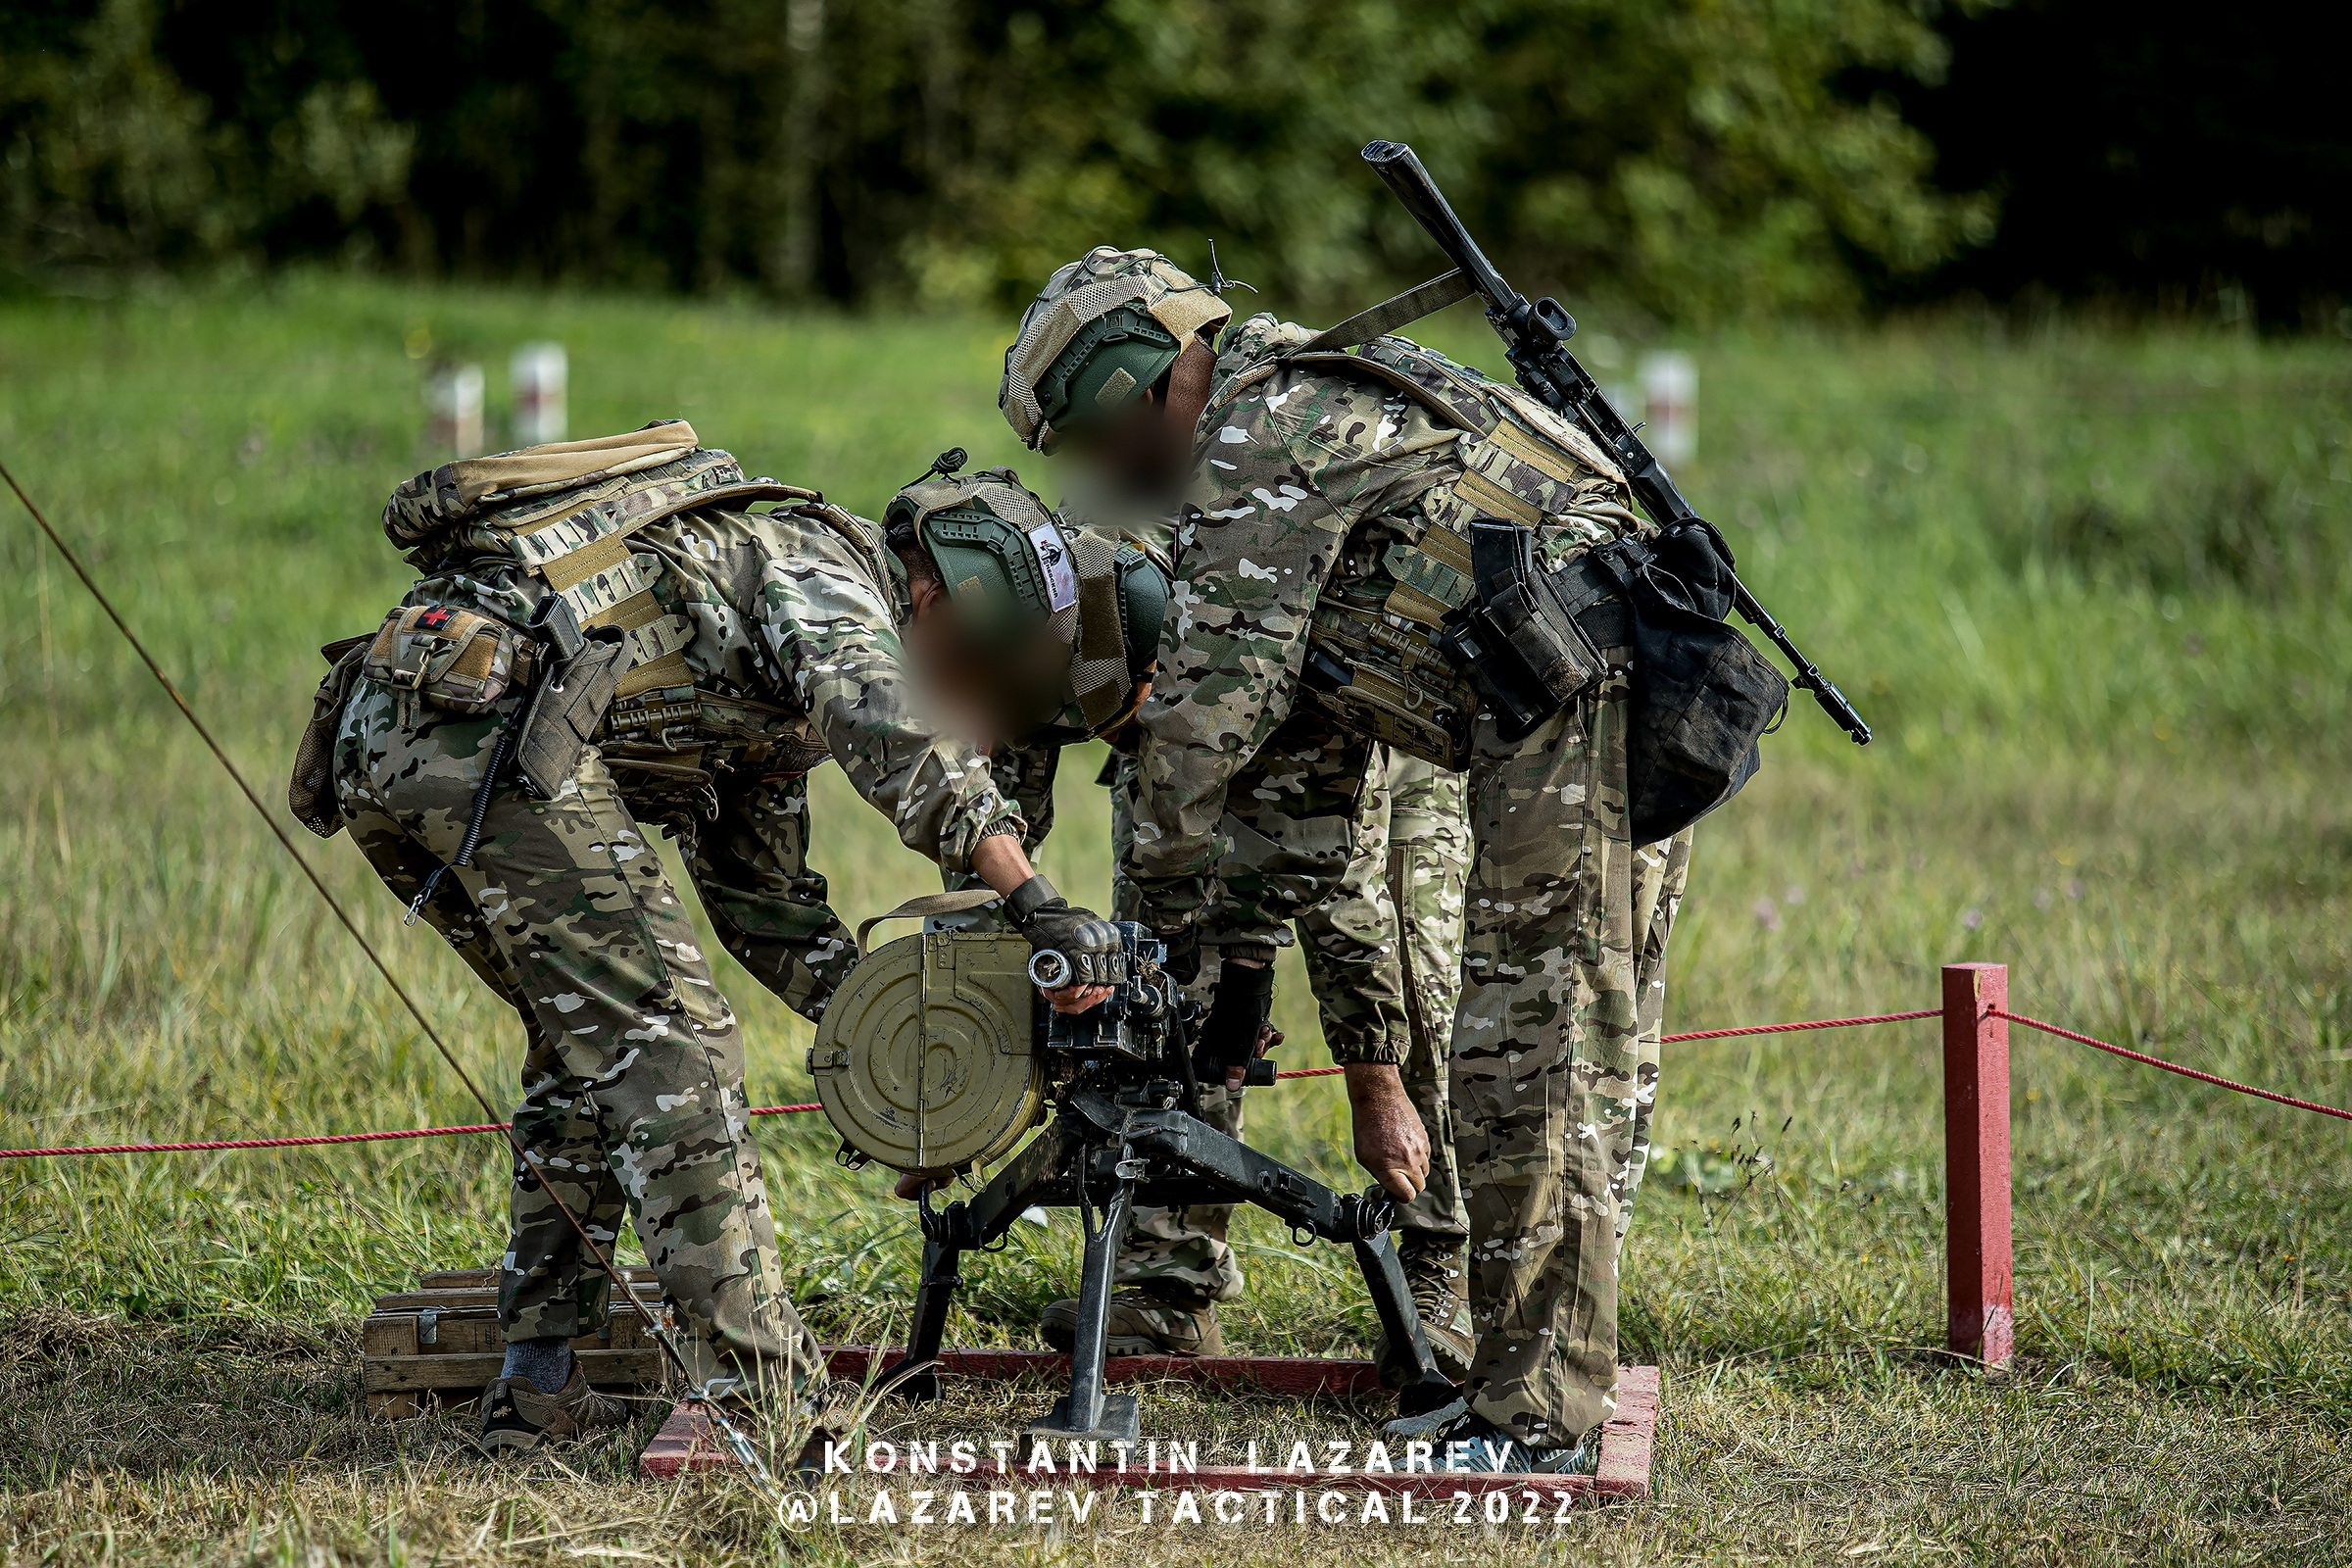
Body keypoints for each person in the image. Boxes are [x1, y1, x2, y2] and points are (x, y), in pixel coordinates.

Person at [299, 422, 1131, 1454]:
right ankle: (762, 1398)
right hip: (480, 724)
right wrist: (1034, 899)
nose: (990, 733)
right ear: (935, 602)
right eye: (979, 682)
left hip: (410, 732)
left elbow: (764, 900)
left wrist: (907, 1056)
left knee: (588, 1045)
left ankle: (536, 1386)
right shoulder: (824, 569)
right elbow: (889, 731)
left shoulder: (766, 682)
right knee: (673, 1045)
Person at [999, 248, 1697, 1472]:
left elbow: (1199, 732)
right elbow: (1308, 749)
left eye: (1099, 446)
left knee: (1526, 1058)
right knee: (1554, 1054)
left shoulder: (1259, 438)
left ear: (1135, 389)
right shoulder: (1303, 403)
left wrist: (1141, 946)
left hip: (1575, 706)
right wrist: (1239, 954)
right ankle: (1525, 1390)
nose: (1112, 481)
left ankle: (1534, 1422)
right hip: (1590, 697)